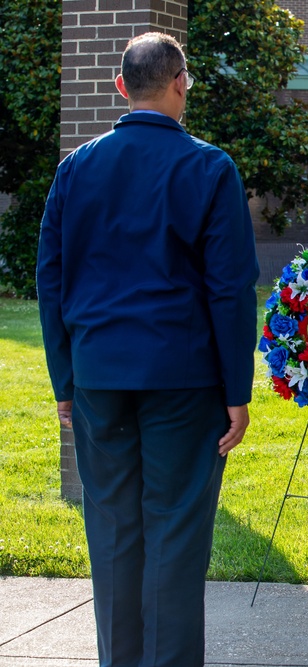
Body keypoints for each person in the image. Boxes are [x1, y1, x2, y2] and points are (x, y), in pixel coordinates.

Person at [36, 32, 259, 667]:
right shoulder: (209, 167)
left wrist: (64, 381)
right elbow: (230, 289)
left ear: (120, 87)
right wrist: (236, 393)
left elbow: (51, 281)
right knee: (176, 536)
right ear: (181, 83)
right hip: (183, 380)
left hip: (98, 378)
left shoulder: (74, 169)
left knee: (110, 533)